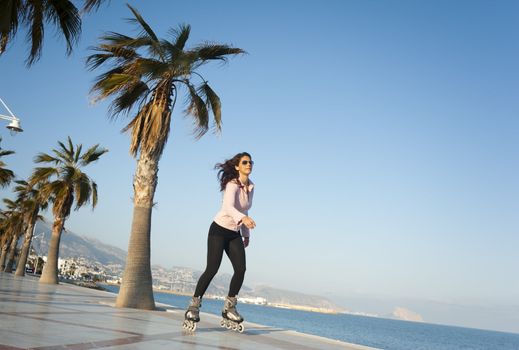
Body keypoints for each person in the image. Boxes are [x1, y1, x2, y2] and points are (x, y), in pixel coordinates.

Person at [182, 152, 256, 332]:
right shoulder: (232, 184)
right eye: (245, 162)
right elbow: (229, 208)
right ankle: (193, 306)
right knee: (212, 268)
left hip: (234, 232)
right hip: (218, 230)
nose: (248, 164)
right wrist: (244, 221)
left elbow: (244, 211)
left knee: (241, 269)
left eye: (250, 162)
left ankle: (229, 307)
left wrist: (245, 234)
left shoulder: (251, 187)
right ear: (238, 166)